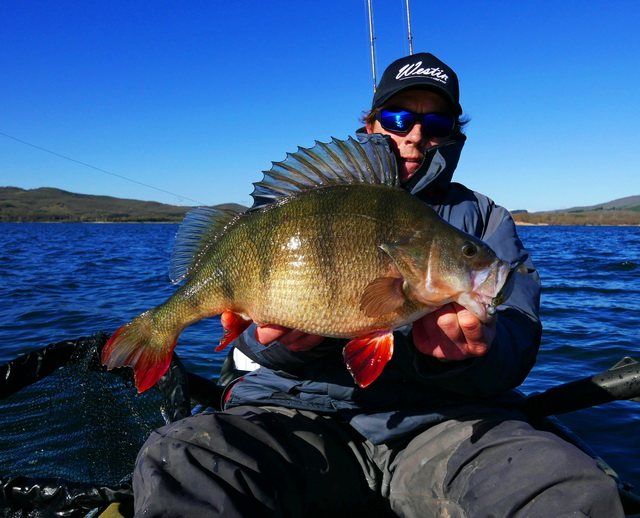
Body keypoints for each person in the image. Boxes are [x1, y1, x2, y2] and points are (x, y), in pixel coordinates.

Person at [132, 53, 624, 517]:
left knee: (563, 490)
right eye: (396, 119)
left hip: (446, 427)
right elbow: (246, 343)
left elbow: (518, 337)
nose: (414, 135)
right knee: (182, 459)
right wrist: (288, 350)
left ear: (453, 134)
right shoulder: (297, 205)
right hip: (292, 418)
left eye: (435, 123)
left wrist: (477, 354)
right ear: (370, 125)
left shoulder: (485, 218)